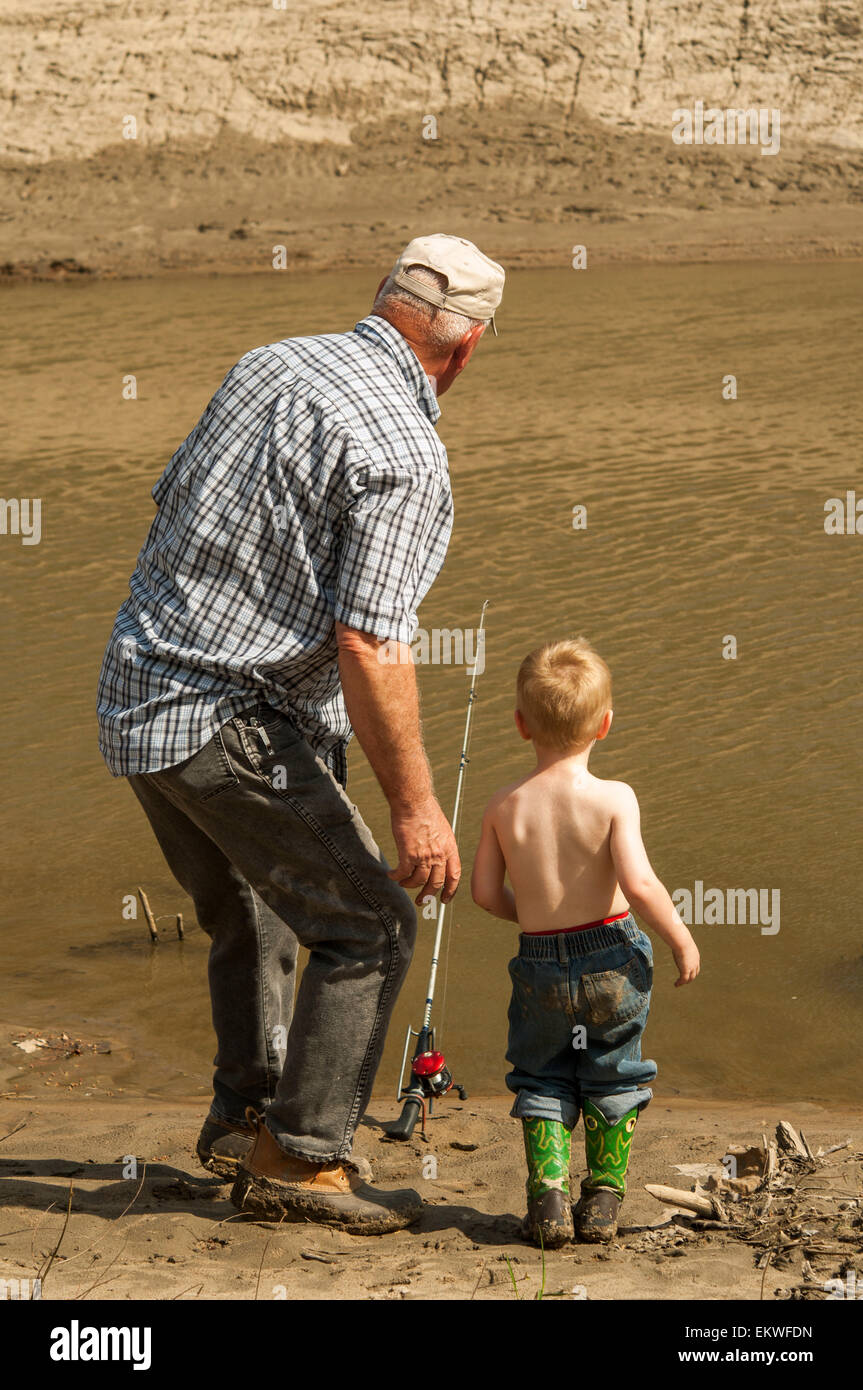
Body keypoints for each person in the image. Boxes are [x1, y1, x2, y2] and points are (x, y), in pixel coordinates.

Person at [96, 234, 505, 1234]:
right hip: (223, 716)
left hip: (134, 688)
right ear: (465, 348)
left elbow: (174, 511)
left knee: (252, 906)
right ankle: (303, 1156)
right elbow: (371, 642)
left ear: (381, 300)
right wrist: (416, 811)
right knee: (369, 925)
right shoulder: (407, 456)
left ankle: (245, 1114)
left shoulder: (266, 363)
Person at [471, 638, 700, 1246]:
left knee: (542, 1073)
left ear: (521, 725)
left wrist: (534, 918)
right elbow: (640, 882)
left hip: (540, 965)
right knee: (613, 1070)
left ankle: (547, 1198)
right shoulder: (614, 798)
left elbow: (485, 896)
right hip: (611, 959)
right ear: (605, 723)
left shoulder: (503, 806)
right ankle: (601, 1198)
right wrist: (680, 937)